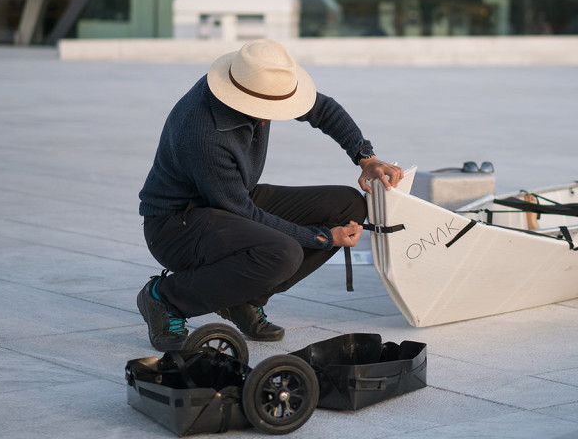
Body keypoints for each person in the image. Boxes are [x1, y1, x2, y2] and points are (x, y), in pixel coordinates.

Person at [136, 39, 403, 351]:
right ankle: (165, 298)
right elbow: (244, 213)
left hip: (229, 200)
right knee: (283, 253)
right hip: (177, 224)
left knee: (347, 205)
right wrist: (323, 238)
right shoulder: (202, 133)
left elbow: (323, 109)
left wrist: (366, 158)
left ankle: (243, 300)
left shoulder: (249, 85)